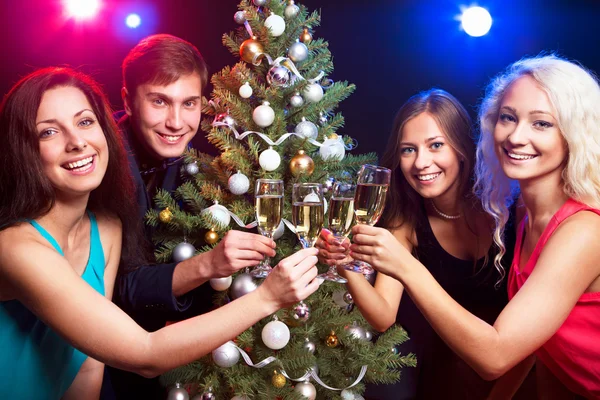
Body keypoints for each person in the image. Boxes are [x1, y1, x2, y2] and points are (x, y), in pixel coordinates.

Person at [0, 67, 320, 399]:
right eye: (49, 132)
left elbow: (88, 365)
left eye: (85, 122)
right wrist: (267, 298)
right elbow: (146, 354)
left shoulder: (107, 228)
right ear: (24, 150)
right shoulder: (16, 246)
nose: (77, 142)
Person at [348, 55, 600, 399]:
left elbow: (496, 356)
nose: (515, 136)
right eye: (507, 118)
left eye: (541, 123)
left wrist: (407, 267)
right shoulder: (527, 216)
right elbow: (539, 346)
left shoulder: (583, 230)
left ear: (574, 133)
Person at [317, 89, 533, 399]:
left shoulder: (509, 203)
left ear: (460, 147)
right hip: (444, 364)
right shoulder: (405, 219)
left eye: (435, 145)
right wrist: (345, 265)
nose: (421, 163)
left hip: (513, 361)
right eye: (408, 150)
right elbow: (382, 317)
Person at [108, 34, 282, 398]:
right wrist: (208, 265)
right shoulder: (100, 165)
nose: (176, 122)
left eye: (189, 104)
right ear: (128, 100)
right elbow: (115, 289)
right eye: (159, 101)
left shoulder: (199, 159)